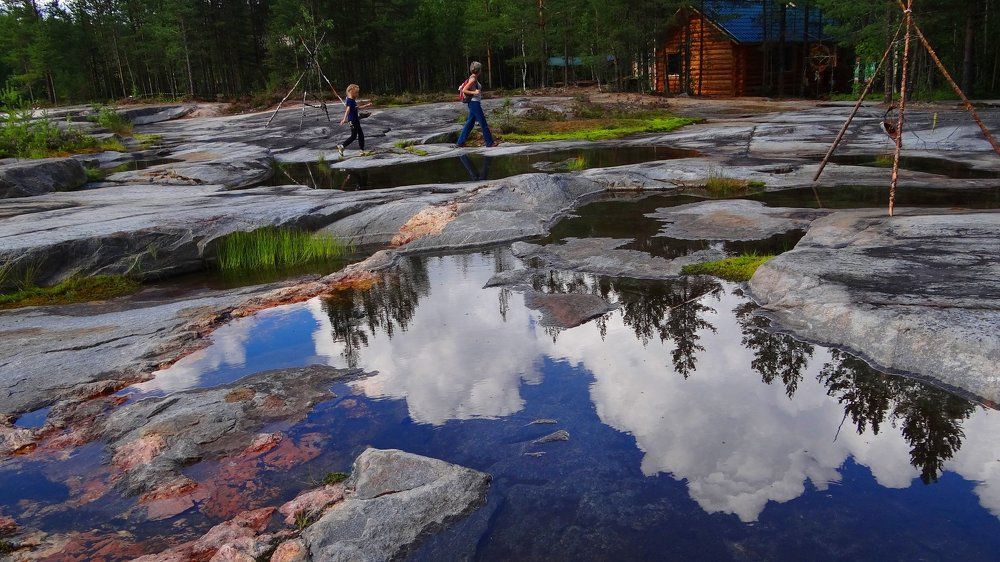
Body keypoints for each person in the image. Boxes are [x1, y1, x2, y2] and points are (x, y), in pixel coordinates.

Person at [456, 62, 497, 148]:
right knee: (483, 122)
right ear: (479, 70)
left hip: (474, 103)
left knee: (470, 123)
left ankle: (460, 142)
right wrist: (474, 92)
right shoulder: (473, 79)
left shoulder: (473, 78)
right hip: (474, 103)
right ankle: (489, 143)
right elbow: (464, 90)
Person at [337, 84, 372, 156]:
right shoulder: (349, 100)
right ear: (351, 92)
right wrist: (344, 119)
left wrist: (366, 105)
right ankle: (342, 146)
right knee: (353, 136)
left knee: (361, 135)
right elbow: (347, 110)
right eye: (356, 92)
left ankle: (362, 150)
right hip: (352, 121)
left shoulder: (352, 100)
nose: (357, 94)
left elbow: (357, 108)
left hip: (356, 120)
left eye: (357, 92)